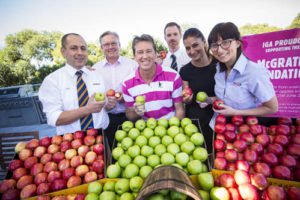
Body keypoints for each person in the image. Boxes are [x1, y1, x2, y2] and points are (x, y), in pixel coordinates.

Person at [39, 33, 110, 135]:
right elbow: (54, 119)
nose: (80, 52)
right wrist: (87, 109)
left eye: (83, 48)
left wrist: (110, 104)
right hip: (71, 143)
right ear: (63, 52)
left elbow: (105, 107)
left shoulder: (97, 76)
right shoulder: (52, 81)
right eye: (74, 48)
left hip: (102, 136)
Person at [207, 22, 278, 122]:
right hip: (218, 127)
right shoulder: (218, 69)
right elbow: (224, 98)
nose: (220, 50)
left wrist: (235, 112)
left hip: (242, 131)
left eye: (225, 42)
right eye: (214, 45)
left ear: (237, 43)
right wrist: (208, 100)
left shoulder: (254, 72)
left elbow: (272, 108)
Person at [122, 34, 185, 121]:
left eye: (149, 51)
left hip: (171, 128)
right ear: (135, 56)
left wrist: (176, 130)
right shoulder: (127, 83)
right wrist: (139, 111)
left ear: (155, 54)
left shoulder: (173, 76)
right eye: (140, 52)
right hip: (145, 132)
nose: (145, 56)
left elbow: (179, 109)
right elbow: (130, 116)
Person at [93, 31, 138, 148]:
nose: (110, 47)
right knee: (113, 151)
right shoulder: (95, 70)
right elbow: (93, 95)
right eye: (106, 44)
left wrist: (126, 98)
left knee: (135, 148)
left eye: (114, 43)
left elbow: (140, 90)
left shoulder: (133, 65)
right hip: (108, 119)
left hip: (131, 116)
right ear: (101, 48)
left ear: (119, 45)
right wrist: (105, 104)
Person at [179, 28, 216, 153]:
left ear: (204, 42)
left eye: (195, 45)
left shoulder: (219, 65)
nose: (192, 51)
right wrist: (186, 99)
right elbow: (186, 96)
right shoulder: (185, 71)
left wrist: (210, 100)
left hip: (218, 120)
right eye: (188, 48)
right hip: (196, 124)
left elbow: (229, 95)